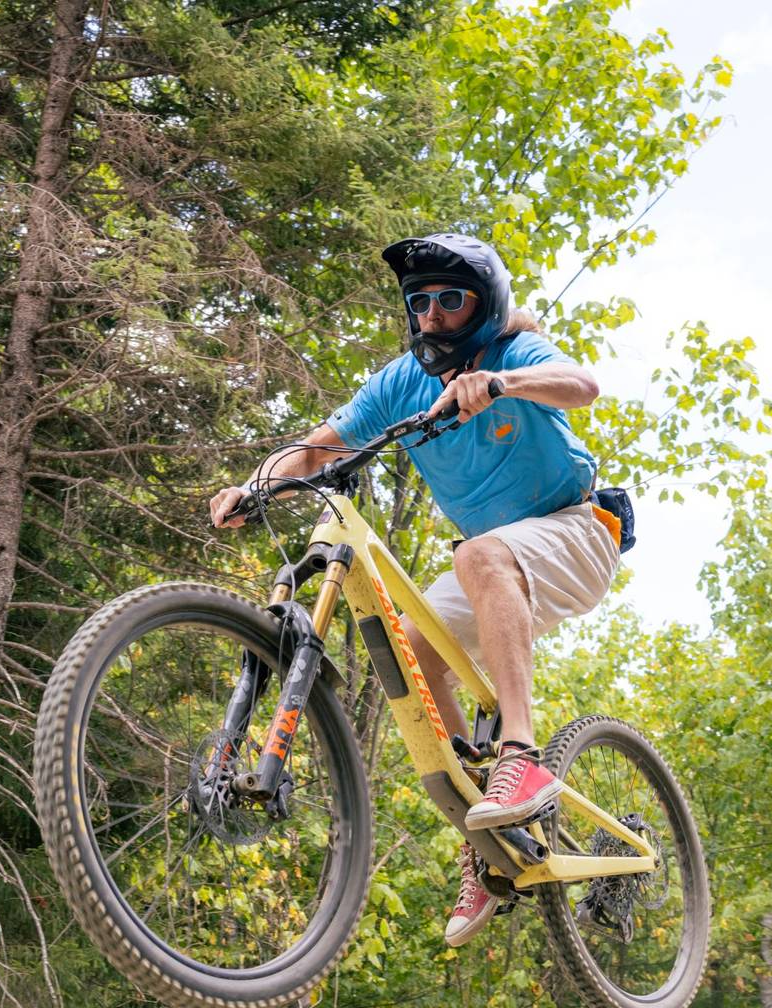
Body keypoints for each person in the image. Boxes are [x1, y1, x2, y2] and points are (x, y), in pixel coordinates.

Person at [208, 232, 621, 946]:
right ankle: (488, 837)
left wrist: (499, 384)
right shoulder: (401, 381)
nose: (431, 315)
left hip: (577, 531)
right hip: (497, 560)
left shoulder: (511, 353)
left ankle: (519, 760)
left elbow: (582, 387)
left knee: (481, 557)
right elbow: (318, 446)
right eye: (418, 301)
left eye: (449, 300)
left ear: (484, 306)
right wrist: (256, 484)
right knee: (413, 641)